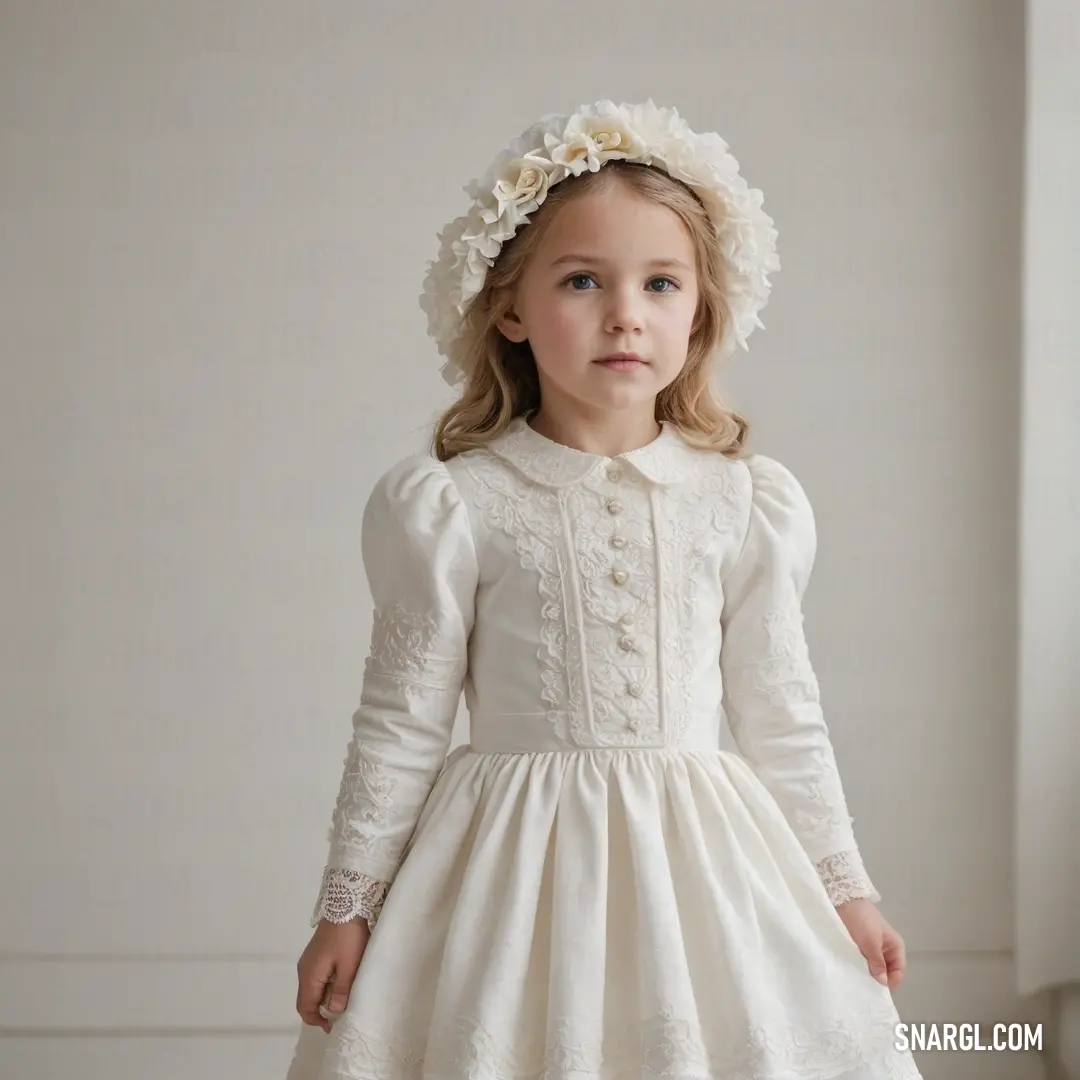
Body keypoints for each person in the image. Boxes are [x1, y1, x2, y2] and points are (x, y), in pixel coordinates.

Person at [286, 99, 922, 1080]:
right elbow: (399, 722)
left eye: (661, 283)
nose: (626, 313)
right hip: (510, 878)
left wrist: (847, 890)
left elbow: (782, 711)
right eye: (582, 280)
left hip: (707, 875)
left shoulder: (743, 502)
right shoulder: (457, 505)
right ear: (509, 305)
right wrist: (348, 905)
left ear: (700, 309)